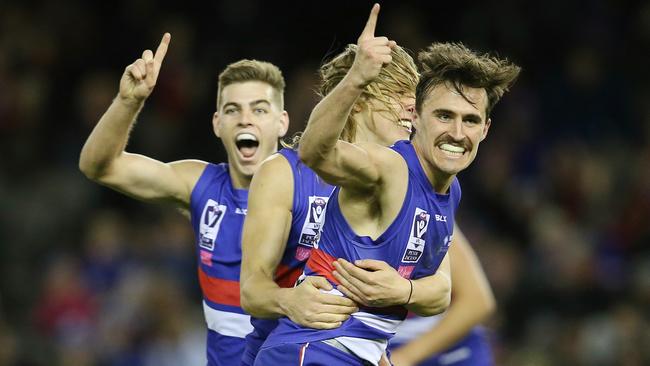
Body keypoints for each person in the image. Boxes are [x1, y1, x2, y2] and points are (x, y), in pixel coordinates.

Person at [256, 4, 521, 365]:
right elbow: (316, 152)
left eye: (471, 120)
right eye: (444, 116)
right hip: (313, 350)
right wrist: (356, 79)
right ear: (417, 117)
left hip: (349, 353)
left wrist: (403, 289)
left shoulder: (446, 191)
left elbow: (442, 292)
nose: (458, 133)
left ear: (486, 129)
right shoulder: (391, 167)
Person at [78, 33, 290, 365]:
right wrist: (128, 101)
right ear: (218, 124)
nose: (246, 119)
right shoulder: (200, 184)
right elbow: (99, 166)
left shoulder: (314, 185)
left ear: (281, 123)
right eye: (233, 110)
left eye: (259, 109)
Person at [239, 42, 440, 366]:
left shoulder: (405, 185)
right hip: (285, 351)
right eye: (397, 91)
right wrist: (289, 299)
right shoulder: (284, 173)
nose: (410, 107)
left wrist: (403, 292)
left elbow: (442, 288)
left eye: (414, 96)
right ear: (357, 99)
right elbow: (251, 289)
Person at [388, 224, 497, 366]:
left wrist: (405, 356)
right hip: (379, 344)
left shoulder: (426, 211)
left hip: (447, 344)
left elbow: (477, 301)